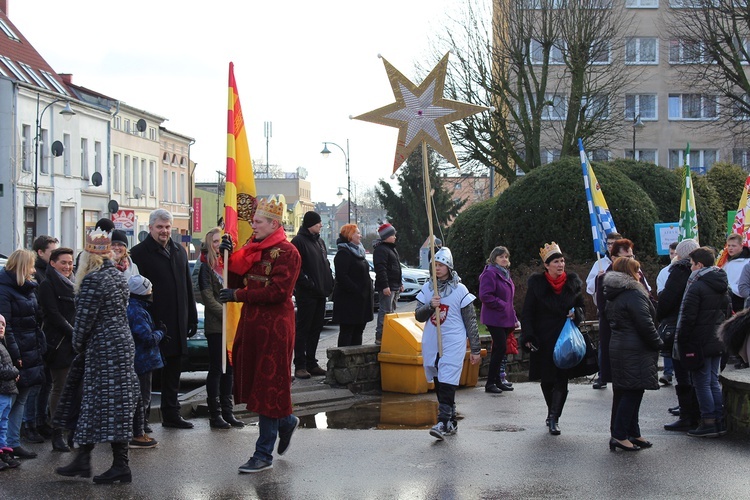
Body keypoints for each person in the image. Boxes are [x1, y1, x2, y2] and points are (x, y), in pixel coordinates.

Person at [218, 197, 302, 473]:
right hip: (252, 323)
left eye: (258, 221)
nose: (252, 226)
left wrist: (239, 295)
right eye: (253, 220)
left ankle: (263, 453)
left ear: (274, 224)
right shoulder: (252, 249)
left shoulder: (288, 253)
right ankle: (286, 420)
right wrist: (225, 256)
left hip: (276, 327)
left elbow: (278, 292)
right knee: (259, 382)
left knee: (268, 385)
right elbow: (233, 282)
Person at [55, 229, 140, 483]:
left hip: (103, 348)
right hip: (123, 343)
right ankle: (91, 460)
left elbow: (83, 322)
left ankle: (108, 464)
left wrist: (78, 344)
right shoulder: (116, 275)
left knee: (96, 404)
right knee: (117, 404)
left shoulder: (93, 280)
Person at [130, 209, 198, 429]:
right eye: (160, 227)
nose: (164, 231)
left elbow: (187, 286)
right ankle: (142, 419)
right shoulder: (139, 253)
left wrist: (192, 318)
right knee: (148, 374)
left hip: (176, 322)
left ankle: (171, 413)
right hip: (151, 324)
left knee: (173, 371)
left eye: (167, 227)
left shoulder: (179, 251)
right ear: (150, 228)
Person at [415, 247, 481, 440]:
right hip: (433, 339)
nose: (437, 268)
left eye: (441, 264)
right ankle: (451, 419)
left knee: (447, 377)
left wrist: (475, 349)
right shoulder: (428, 288)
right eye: (435, 264)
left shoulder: (460, 290)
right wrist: (430, 306)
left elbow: (471, 321)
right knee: (438, 376)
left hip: (453, 340)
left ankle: (443, 422)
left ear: (449, 266)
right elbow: (418, 315)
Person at [520, 242, 585, 436]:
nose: (560, 264)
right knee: (547, 380)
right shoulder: (537, 285)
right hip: (544, 338)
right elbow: (528, 312)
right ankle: (551, 412)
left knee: (561, 380)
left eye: (562, 261)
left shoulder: (572, 284)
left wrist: (577, 314)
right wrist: (528, 336)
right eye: (556, 261)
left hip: (565, 340)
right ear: (547, 265)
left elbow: (581, 307)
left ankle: (554, 417)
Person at [602, 257, 662, 452]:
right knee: (632, 392)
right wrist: (659, 343)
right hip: (635, 349)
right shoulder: (633, 295)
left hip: (621, 347)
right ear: (630, 273)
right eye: (637, 271)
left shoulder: (615, 294)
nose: (639, 274)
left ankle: (632, 432)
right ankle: (620, 435)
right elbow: (645, 324)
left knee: (626, 391)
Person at [676, 247, 730, 438]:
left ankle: (708, 421)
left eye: (691, 264)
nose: (690, 268)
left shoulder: (697, 286)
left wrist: (682, 340)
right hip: (717, 339)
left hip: (699, 341)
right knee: (713, 381)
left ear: (699, 265)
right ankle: (719, 420)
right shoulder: (722, 283)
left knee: (702, 382)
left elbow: (688, 318)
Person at [198, 227, 244, 429]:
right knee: (217, 367)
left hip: (232, 324)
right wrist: (225, 315)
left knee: (230, 369)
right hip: (216, 325)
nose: (218, 244)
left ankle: (228, 411)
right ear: (209, 244)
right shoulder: (205, 267)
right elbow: (208, 298)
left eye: (220, 241)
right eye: (214, 241)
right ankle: (215, 414)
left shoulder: (228, 265)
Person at [0, 249, 44, 459]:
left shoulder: (26, 288)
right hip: (17, 350)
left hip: (29, 347)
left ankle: (12, 442)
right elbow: (5, 327)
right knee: (9, 400)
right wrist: (16, 353)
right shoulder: (6, 290)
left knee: (21, 398)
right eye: (31, 266)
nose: (34, 270)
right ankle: (7, 444)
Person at [593, 238, 653, 390]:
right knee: (623, 385)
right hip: (617, 334)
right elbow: (604, 307)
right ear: (614, 259)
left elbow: (649, 299)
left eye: (632, 256)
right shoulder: (604, 278)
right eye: (626, 258)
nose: (631, 260)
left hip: (636, 336)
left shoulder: (638, 274)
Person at [37, 247, 76, 452]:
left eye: (70, 263)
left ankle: (72, 430)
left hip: (75, 343)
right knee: (59, 389)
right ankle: (57, 433)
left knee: (75, 389)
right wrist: (74, 333)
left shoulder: (74, 282)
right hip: (58, 343)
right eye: (63, 262)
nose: (68, 266)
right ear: (52, 263)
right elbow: (52, 315)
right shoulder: (47, 284)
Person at [291, 211, 334, 378]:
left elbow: (325, 264)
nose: (321, 225)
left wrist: (329, 281)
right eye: (318, 223)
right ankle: (300, 365)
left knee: (316, 328)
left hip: (320, 293)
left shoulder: (320, 242)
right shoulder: (299, 242)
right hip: (307, 294)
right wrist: (309, 284)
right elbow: (296, 268)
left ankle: (311, 363)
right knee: (303, 329)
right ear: (310, 224)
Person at [28, 234, 58, 444]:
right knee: (37, 384)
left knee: (47, 382)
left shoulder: (50, 272)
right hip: (37, 335)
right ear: (40, 252)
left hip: (45, 336)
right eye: (52, 252)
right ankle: (32, 424)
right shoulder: (38, 275)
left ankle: (41, 421)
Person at [126, 275, 162, 449]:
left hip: (139, 359)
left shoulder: (135, 307)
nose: (152, 293)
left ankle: (137, 431)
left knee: (139, 397)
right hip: (142, 360)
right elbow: (146, 338)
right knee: (142, 398)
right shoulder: (137, 311)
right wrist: (160, 333)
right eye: (149, 290)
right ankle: (137, 434)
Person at [478, 246, 519, 394]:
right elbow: (485, 295)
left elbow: (510, 299)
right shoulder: (490, 274)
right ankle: (490, 383)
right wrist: (502, 305)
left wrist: (512, 315)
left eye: (506, 257)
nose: (504, 259)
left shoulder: (505, 274)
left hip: (505, 317)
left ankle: (497, 381)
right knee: (500, 347)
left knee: (499, 349)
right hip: (494, 317)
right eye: (501, 256)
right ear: (494, 258)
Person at [332, 224, 374, 347]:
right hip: (349, 301)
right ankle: (344, 362)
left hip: (362, 300)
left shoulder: (359, 252)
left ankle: (356, 361)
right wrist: (356, 290)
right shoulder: (343, 253)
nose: (360, 236)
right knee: (347, 332)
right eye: (357, 233)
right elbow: (342, 276)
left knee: (358, 331)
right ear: (350, 235)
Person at [373, 223, 403, 345]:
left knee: (392, 311)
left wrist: (400, 283)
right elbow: (381, 269)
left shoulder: (392, 249)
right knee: (385, 311)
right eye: (392, 235)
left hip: (394, 286)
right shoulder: (381, 250)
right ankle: (380, 335)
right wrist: (385, 285)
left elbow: (397, 268)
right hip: (387, 287)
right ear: (386, 236)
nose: (395, 237)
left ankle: (388, 334)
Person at [656, 241, 679, 385]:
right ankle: (668, 372)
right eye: (671, 253)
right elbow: (661, 292)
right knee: (668, 341)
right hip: (670, 313)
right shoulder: (665, 272)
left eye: (676, 253)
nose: (673, 256)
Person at [0, 313, 21, 470]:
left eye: (3, 324)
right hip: (2, 391)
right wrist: (14, 371)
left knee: (3, 423)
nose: (1, 327)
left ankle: (3, 451)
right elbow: (2, 370)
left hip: (6, 391)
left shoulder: (3, 344)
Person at [584, 232, 622, 305]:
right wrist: (597, 278)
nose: (610, 246)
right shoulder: (599, 263)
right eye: (608, 244)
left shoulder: (628, 262)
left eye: (613, 244)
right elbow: (589, 287)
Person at [719, 233, 750, 314]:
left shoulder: (747, 262)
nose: (730, 248)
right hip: (725, 297)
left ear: (741, 246)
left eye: (734, 246)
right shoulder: (725, 261)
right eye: (728, 246)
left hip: (739, 299)